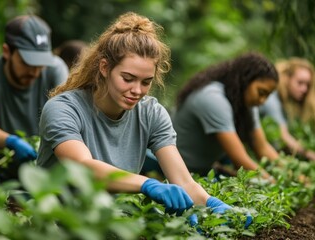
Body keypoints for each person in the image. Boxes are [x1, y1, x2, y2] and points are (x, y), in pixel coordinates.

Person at [37, 12, 251, 227]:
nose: (137, 91)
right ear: (104, 68)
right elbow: (83, 167)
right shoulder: (63, 108)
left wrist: (212, 204)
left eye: (146, 81)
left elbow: (183, 180)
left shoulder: (151, 113)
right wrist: (148, 184)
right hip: (54, 224)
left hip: (110, 223)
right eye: (127, 79)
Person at [0, 15, 69, 182]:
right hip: (8, 174)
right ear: (7, 51)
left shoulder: (55, 69)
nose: (35, 72)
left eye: (40, 64)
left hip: (52, 175)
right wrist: (11, 141)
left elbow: (68, 114)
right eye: (27, 62)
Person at [172, 52, 279, 178]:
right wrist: (275, 184)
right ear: (245, 81)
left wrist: (292, 175)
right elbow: (240, 160)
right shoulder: (213, 99)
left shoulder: (245, 101)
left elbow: (263, 148)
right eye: (261, 92)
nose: (263, 101)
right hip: (177, 172)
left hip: (206, 170)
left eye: (267, 96)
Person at [259, 57, 315, 161]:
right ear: (287, 79)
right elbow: (283, 137)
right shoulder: (272, 100)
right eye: (300, 83)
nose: (304, 89)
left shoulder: (284, 102)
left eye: (307, 85)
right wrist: (309, 154)